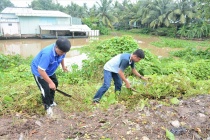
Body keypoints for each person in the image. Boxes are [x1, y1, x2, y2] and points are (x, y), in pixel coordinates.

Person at [31, 38, 71, 117]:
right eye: (62, 52)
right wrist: (49, 82)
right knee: (45, 89)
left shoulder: (62, 50)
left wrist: (63, 66)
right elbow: (41, 70)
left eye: (64, 52)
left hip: (49, 70)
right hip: (39, 72)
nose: (63, 54)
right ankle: (47, 107)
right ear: (56, 47)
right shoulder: (47, 54)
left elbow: (62, 57)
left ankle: (51, 101)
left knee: (55, 84)